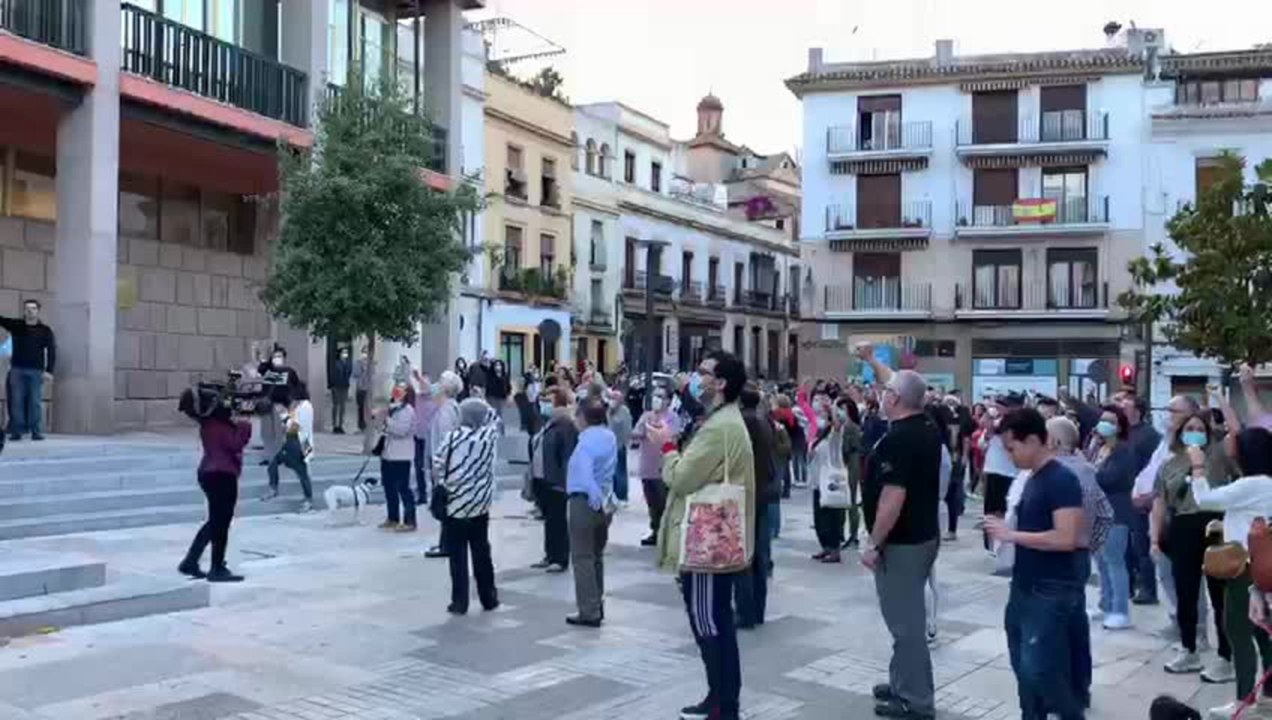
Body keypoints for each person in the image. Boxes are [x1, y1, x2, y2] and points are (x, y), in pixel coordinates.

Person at [647, 351, 754, 720]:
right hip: (710, 539)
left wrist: (666, 447)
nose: (697, 377)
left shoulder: (721, 427)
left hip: (709, 543)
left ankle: (724, 705)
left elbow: (681, 478)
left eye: (704, 372)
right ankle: (719, 699)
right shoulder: (722, 421)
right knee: (714, 621)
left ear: (720, 383)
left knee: (710, 623)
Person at [985, 408, 1087, 720]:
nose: (1010, 456)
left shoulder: (1062, 479)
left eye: (1012, 448)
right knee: (1024, 669)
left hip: (1050, 589)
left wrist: (1011, 534)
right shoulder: (1032, 478)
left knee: (1041, 670)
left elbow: (1066, 537)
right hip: (1025, 585)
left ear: (1032, 440)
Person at [858, 344, 942, 720]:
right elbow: (898, 382)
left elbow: (892, 496)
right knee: (904, 620)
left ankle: (916, 701)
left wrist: (874, 542)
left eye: (885, 392)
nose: (880, 396)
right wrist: (872, 361)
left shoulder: (901, 438)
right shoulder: (925, 425)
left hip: (904, 542)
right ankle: (901, 683)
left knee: (906, 625)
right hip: (922, 535)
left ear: (895, 399)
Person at [1192, 427, 1272, 720]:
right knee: (1264, 633)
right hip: (1264, 567)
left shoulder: (1251, 485)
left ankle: (1245, 699)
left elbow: (1205, 500)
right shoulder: (1265, 483)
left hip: (1245, 569)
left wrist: (1198, 466)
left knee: (1238, 632)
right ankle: (1268, 695)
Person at [1153, 409, 1235, 678]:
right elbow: (1160, 502)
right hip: (1183, 526)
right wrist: (1154, 538)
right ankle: (1189, 649)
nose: (1194, 433)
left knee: (1219, 595)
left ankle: (1226, 655)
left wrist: (1224, 403)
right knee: (1185, 593)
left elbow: (1237, 435)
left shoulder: (1219, 457)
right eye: (1189, 428)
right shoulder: (1169, 464)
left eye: (1200, 428)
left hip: (1214, 525)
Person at [177, 385, 252, 582]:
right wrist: (245, 423)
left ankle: (191, 561)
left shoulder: (209, 423)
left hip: (210, 473)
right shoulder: (218, 425)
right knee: (221, 523)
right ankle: (216, 567)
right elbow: (235, 444)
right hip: (222, 475)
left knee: (215, 522)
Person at [435, 398, 500, 614]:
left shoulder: (452, 438)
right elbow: (495, 419)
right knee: (482, 550)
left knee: (458, 554)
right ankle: (488, 597)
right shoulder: (488, 437)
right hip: (480, 503)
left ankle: (460, 601)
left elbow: (437, 465)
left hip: (456, 503)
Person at [565, 396, 618, 627]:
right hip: (605, 503)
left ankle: (588, 610)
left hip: (584, 502)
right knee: (596, 556)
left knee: (582, 557)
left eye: (577, 414)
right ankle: (598, 604)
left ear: (583, 418)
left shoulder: (585, 443)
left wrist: (593, 495)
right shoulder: (609, 437)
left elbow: (586, 474)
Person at [1092, 404, 1138, 630]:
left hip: (1116, 513)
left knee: (1114, 561)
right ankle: (1105, 603)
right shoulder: (1099, 447)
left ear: (1120, 427)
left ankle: (1120, 610)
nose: (1105, 424)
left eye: (1111, 421)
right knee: (1101, 562)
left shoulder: (1123, 451)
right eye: (1103, 420)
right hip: (1098, 512)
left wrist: (1092, 472)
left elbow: (1111, 478)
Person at [736, 382, 777, 628]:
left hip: (749, 493)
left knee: (745, 555)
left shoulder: (745, 422)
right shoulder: (763, 420)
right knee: (759, 555)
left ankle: (746, 610)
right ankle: (757, 610)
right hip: (763, 491)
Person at [1126, 393, 1165, 606]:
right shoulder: (1126, 433)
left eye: (1126, 407)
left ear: (1137, 411)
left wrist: (1148, 495)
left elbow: (1156, 468)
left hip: (1142, 499)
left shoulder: (1149, 436)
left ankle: (1148, 589)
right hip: (1126, 497)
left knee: (1142, 547)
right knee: (1128, 549)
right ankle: (1131, 585)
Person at [1, 298, 55, 441]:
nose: (30, 311)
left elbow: (51, 351)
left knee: (35, 402)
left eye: (33, 308)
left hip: (36, 371)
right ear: (24, 311)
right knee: (16, 401)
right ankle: (17, 431)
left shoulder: (45, 330)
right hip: (17, 370)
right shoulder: (17, 325)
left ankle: (36, 431)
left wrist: (49, 371)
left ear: (38, 311)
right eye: (27, 308)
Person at [535, 387, 576, 573]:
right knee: (549, 520)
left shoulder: (565, 425)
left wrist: (564, 482)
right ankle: (549, 554)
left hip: (556, 480)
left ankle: (560, 557)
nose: (544, 404)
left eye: (548, 401)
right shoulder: (547, 423)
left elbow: (567, 455)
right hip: (542, 478)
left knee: (557, 519)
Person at [633, 386, 680, 546]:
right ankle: (655, 530)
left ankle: (665, 533)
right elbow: (636, 434)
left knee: (663, 501)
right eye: (655, 396)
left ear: (668, 400)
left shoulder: (672, 417)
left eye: (660, 396)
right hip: (647, 466)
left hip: (663, 466)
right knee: (652, 503)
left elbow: (673, 437)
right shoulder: (646, 416)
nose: (657, 399)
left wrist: (657, 430)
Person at [425, 371, 463, 559]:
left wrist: (439, 468)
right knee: (446, 505)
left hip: (445, 467)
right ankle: (445, 543)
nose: (436, 385)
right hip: (446, 466)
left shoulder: (447, 411)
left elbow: (446, 442)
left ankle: (448, 545)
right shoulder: (447, 408)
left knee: (445, 505)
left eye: (439, 382)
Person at [262, 382, 315, 512]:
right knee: (273, 462)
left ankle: (308, 500)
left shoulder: (305, 407)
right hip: (290, 441)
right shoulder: (297, 406)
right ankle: (273, 488)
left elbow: (295, 426)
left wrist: (284, 415)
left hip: (299, 443)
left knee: (302, 472)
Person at [376, 384, 417, 532]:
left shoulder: (407, 411)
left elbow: (401, 430)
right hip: (388, 453)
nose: (396, 391)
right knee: (389, 487)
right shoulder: (393, 408)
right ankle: (392, 517)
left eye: (400, 389)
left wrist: (386, 420)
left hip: (401, 455)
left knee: (403, 488)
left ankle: (409, 520)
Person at [810, 401, 846, 563]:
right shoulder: (821, 436)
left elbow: (838, 428)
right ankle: (825, 546)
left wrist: (833, 409)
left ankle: (834, 548)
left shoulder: (835, 436)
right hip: (818, 480)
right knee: (819, 517)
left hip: (830, 482)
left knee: (831, 516)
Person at [258, 346, 300, 465]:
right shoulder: (267, 369)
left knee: (278, 432)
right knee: (266, 432)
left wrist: (293, 402)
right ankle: (269, 456)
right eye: (275, 356)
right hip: (266, 404)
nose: (277, 359)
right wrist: (265, 360)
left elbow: (296, 386)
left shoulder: (289, 371)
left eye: (279, 356)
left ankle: (278, 456)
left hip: (282, 404)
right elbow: (260, 369)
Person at [842, 399, 866, 548]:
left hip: (852, 464)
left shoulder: (851, 427)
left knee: (851, 501)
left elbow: (850, 447)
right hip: (850, 464)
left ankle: (854, 534)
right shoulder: (847, 426)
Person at [411, 371, 437, 505]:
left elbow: (430, 388)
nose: (422, 386)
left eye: (424, 383)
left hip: (431, 438)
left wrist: (418, 377)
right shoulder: (417, 397)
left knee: (433, 467)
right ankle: (422, 495)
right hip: (418, 436)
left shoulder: (434, 396)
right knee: (419, 467)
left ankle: (435, 495)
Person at [607, 388, 633, 503]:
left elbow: (627, 429)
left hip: (619, 445)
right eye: (611, 398)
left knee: (620, 471)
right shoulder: (607, 410)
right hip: (608, 446)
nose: (613, 401)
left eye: (615, 398)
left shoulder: (624, 411)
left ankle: (622, 496)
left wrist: (625, 442)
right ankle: (611, 495)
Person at [329, 346, 352, 434]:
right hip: (336, 386)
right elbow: (332, 374)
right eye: (343, 352)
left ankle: (341, 425)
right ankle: (334, 425)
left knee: (343, 406)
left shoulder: (348, 364)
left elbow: (349, 374)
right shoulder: (336, 363)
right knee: (336, 405)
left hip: (345, 386)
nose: (345, 354)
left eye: (346, 353)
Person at [352, 348, 371, 432]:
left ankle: (368, 424)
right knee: (360, 407)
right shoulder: (358, 363)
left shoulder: (371, 363)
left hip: (369, 387)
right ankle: (361, 425)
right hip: (360, 387)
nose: (365, 354)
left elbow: (373, 374)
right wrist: (362, 370)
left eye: (366, 352)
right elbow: (355, 374)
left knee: (368, 406)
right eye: (364, 352)